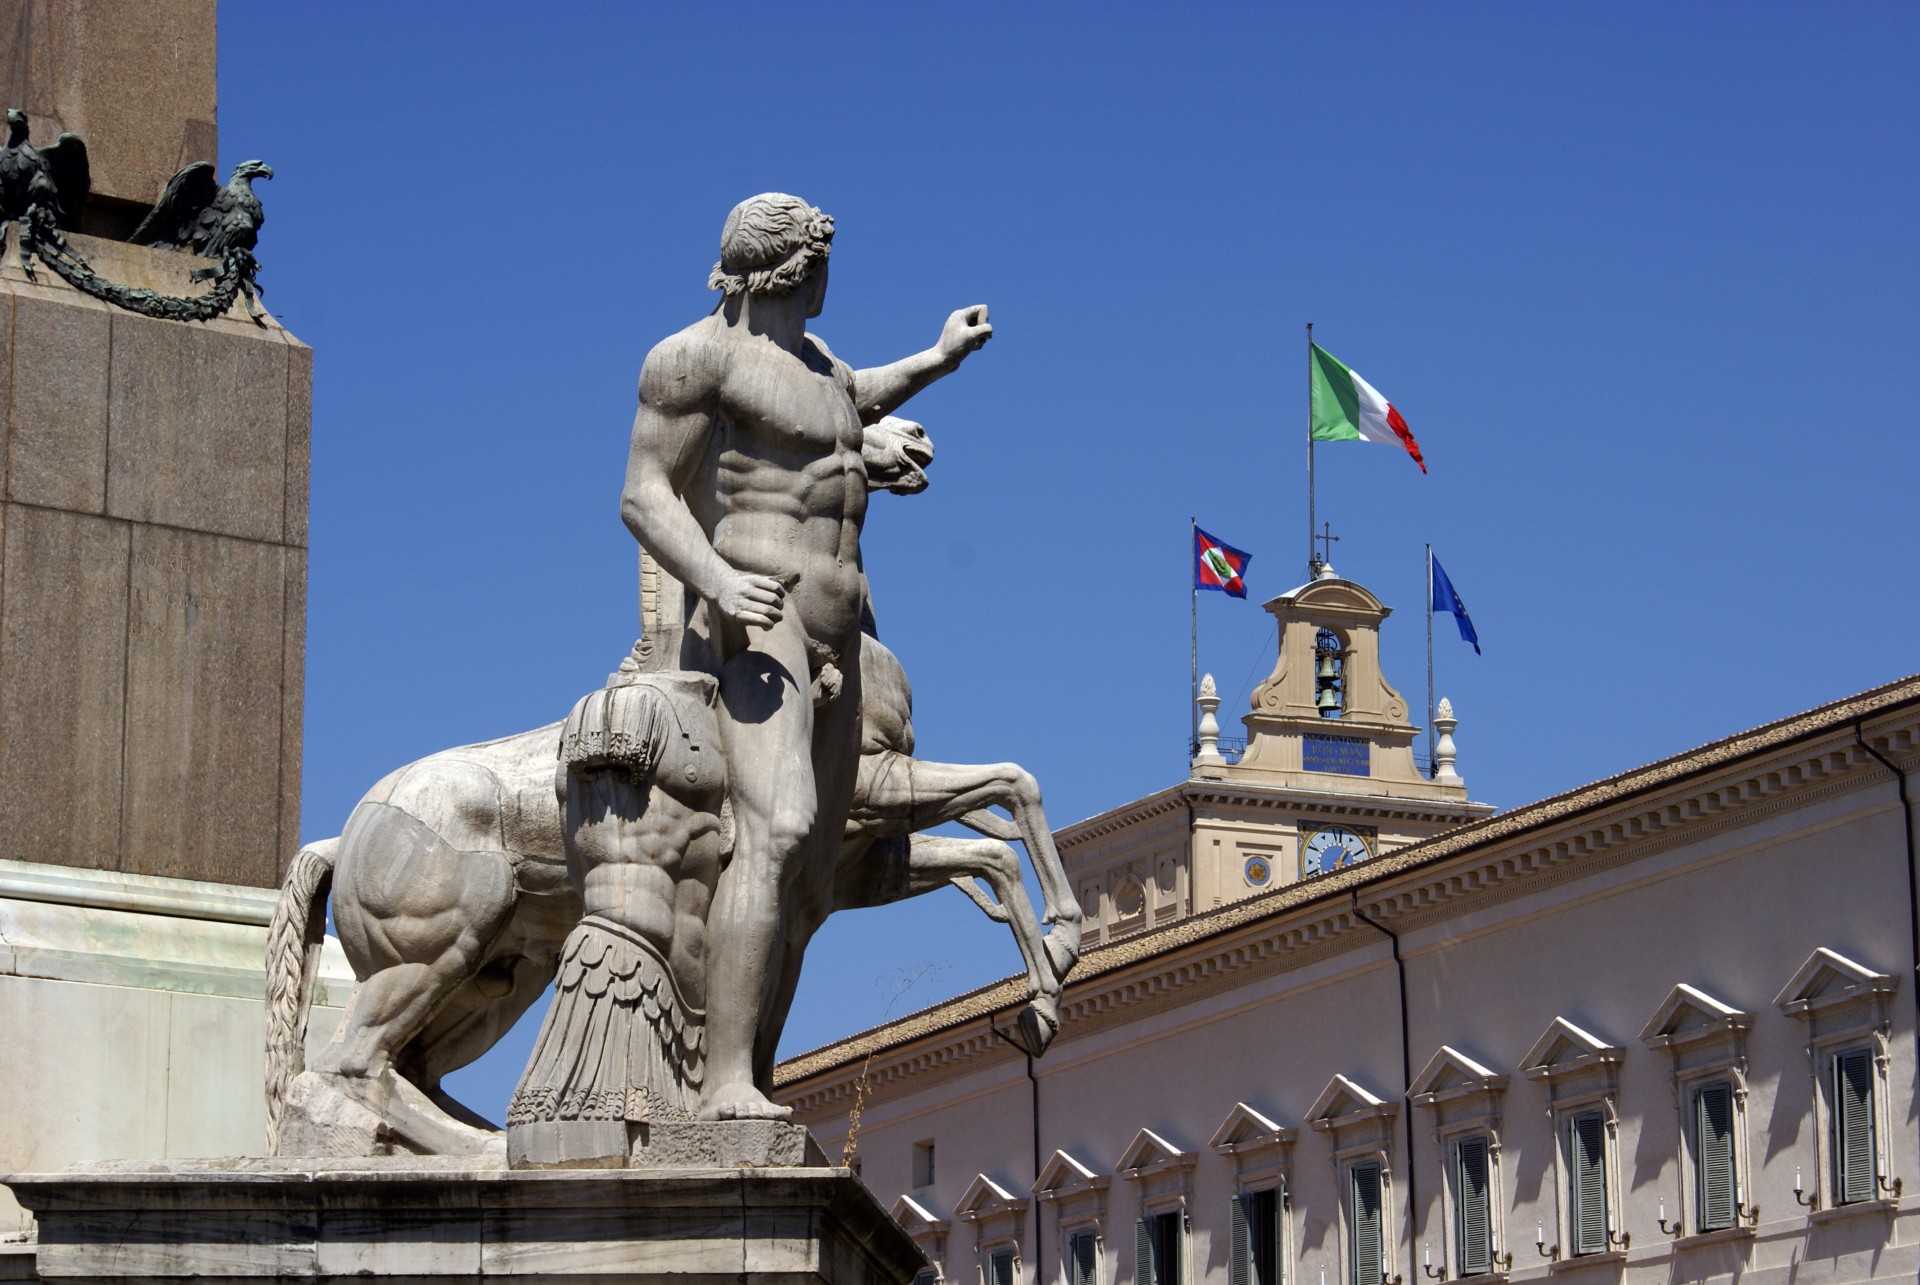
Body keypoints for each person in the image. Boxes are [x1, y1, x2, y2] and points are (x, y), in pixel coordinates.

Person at [619, 193, 991, 1119]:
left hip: (836, 632)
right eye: (825, 261)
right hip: (759, 617)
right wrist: (717, 577)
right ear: (795, 270)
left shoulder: (819, 364)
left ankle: (754, 1068)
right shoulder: (693, 358)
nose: (832, 277)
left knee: (815, 876)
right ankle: (724, 1084)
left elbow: (856, 400)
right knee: (776, 830)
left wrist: (938, 358)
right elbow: (643, 494)